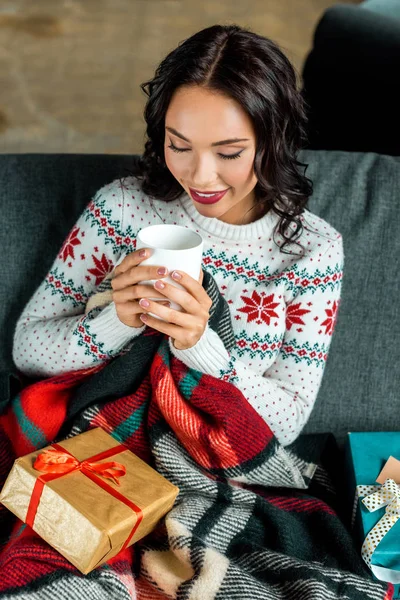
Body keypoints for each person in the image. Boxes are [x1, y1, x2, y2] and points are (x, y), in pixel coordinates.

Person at [12, 24, 343, 446]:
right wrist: (114, 322)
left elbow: (288, 421)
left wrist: (201, 348)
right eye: (179, 146)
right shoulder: (123, 210)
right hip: (96, 454)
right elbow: (27, 347)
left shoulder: (312, 252)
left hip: (215, 471)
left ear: (273, 143)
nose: (200, 176)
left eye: (229, 152)